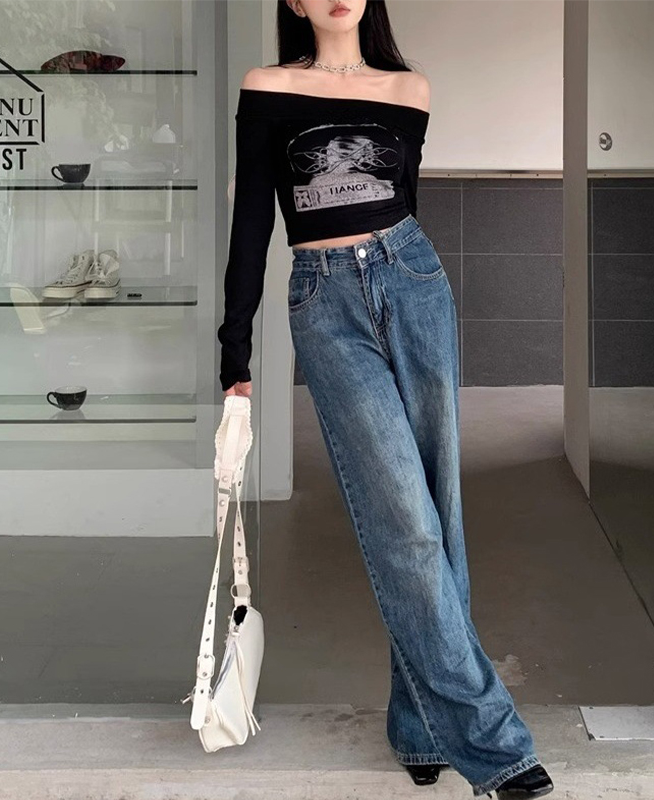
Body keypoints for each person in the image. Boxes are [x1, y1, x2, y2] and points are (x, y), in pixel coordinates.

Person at [216, 1, 554, 797]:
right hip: (324, 300)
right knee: (403, 518)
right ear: (294, 1)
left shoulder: (409, 90)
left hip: (413, 282)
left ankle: (419, 726)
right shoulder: (268, 86)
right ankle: (494, 743)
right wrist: (235, 347)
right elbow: (251, 221)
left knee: (438, 511)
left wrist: (405, 288)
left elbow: (407, 203)